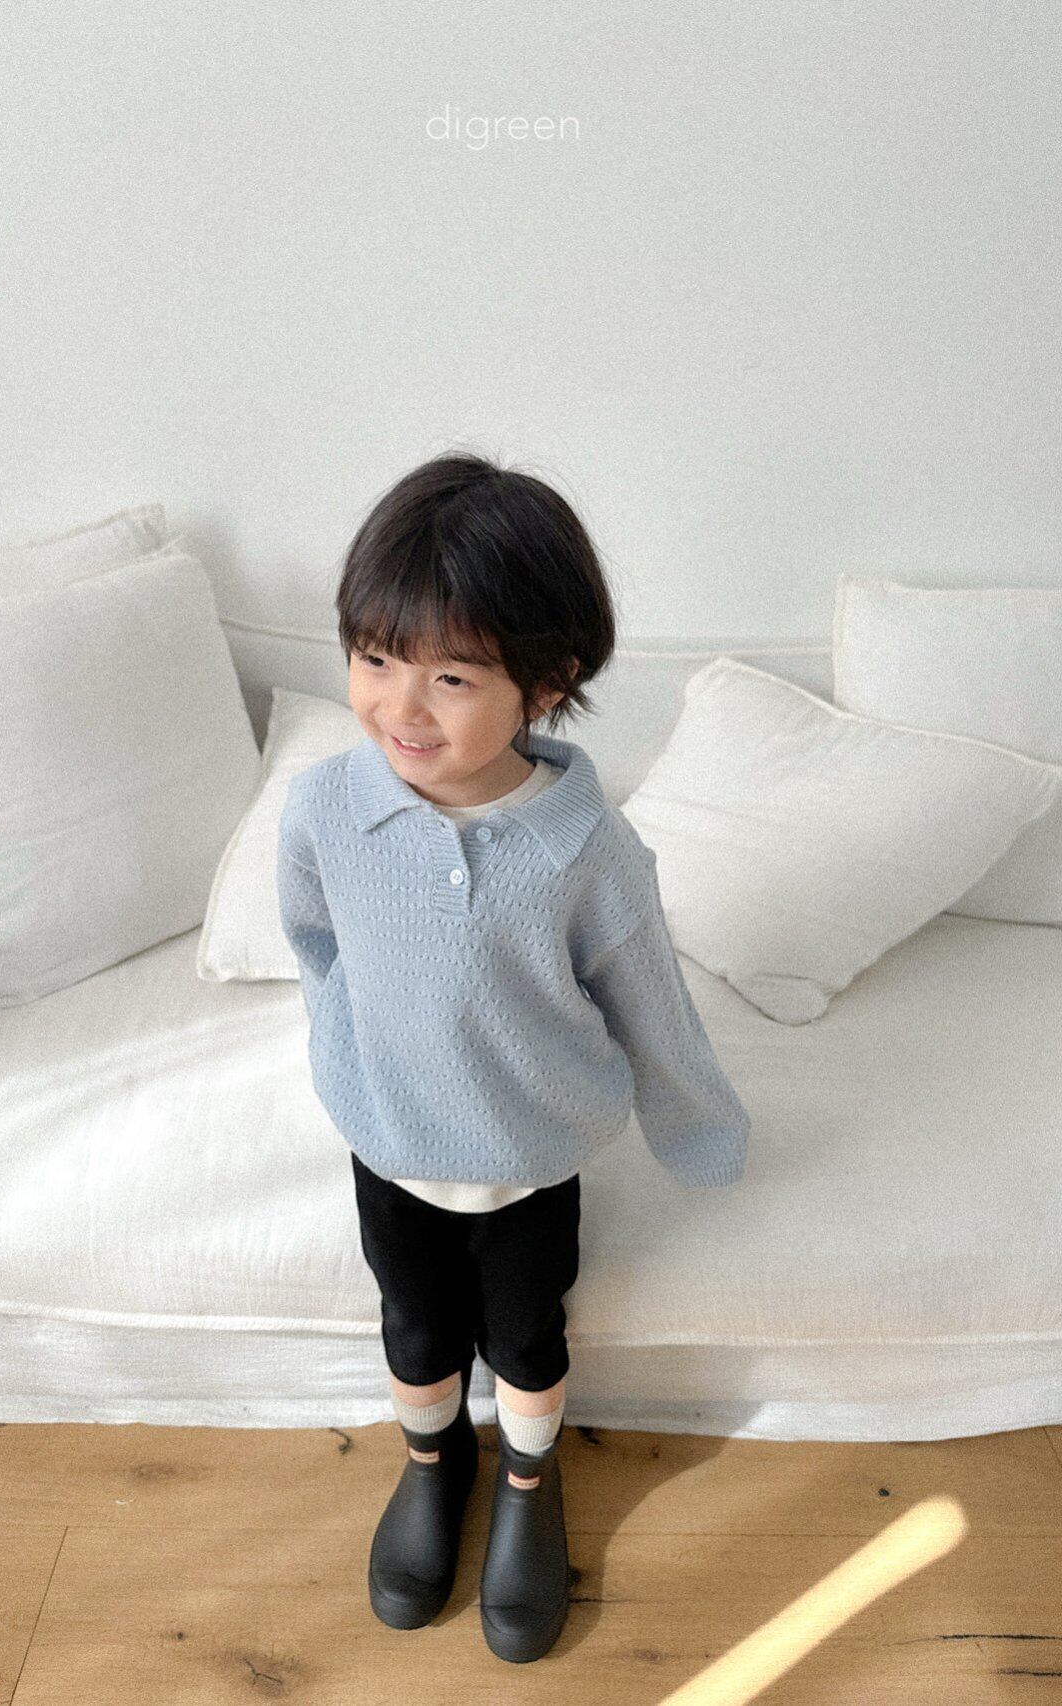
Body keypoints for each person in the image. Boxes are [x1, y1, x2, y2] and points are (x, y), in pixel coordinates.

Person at [276, 451, 750, 1664]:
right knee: (412, 1327)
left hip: (531, 1159)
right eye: (374, 658)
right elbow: (315, 941)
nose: (401, 706)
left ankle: (529, 1483)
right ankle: (434, 1460)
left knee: (525, 1340)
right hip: (388, 1145)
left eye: (449, 675)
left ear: (545, 682)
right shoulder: (325, 807)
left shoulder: (587, 849)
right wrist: (350, 1047)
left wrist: (697, 1125)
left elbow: (651, 1006)